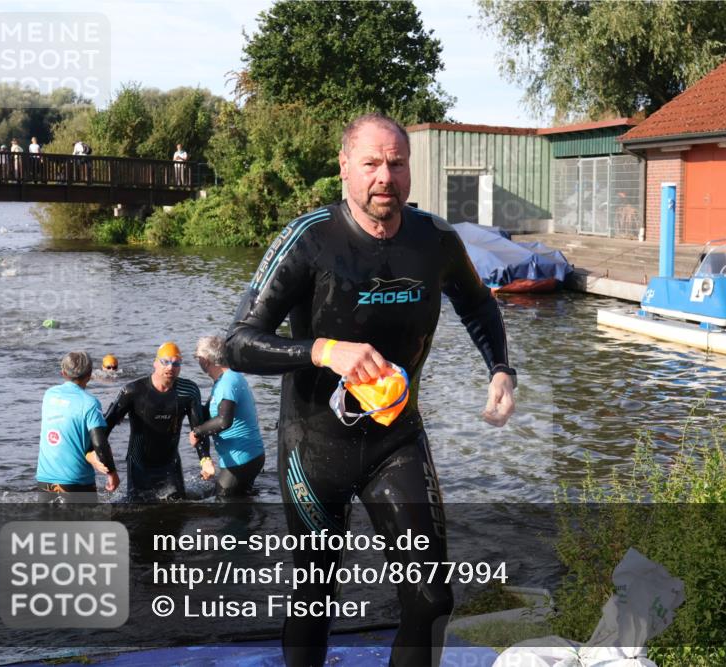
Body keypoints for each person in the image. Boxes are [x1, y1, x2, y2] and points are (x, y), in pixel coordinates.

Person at [225, 112, 517, 667]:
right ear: (345, 168)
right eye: (372, 163)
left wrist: (500, 367)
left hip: (396, 441)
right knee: (315, 598)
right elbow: (237, 342)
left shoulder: (435, 240)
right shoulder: (309, 240)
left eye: (397, 163)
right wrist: (322, 350)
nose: (385, 176)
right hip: (314, 447)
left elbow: (478, 303)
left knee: (432, 598)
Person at [105, 342, 212, 500]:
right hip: (139, 463)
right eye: (165, 362)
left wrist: (205, 459)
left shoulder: (189, 391)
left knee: (179, 511)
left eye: (176, 363)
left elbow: (198, 430)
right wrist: (107, 466)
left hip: (170, 464)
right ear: (155, 363)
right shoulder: (133, 391)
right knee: (138, 514)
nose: (170, 367)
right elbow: (105, 426)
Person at [35, 352, 119, 502]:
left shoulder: (49, 395)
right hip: (77, 482)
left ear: (63, 373)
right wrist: (112, 473)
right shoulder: (90, 403)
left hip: (45, 480)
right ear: (89, 375)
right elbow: (100, 443)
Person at [188, 336, 265, 497]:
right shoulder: (224, 380)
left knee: (223, 505)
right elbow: (208, 413)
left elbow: (224, 421)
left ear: (206, 360)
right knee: (242, 501)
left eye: (198, 357)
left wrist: (197, 432)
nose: (198, 361)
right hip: (247, 456)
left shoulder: (228, 381)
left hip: (242, 459)